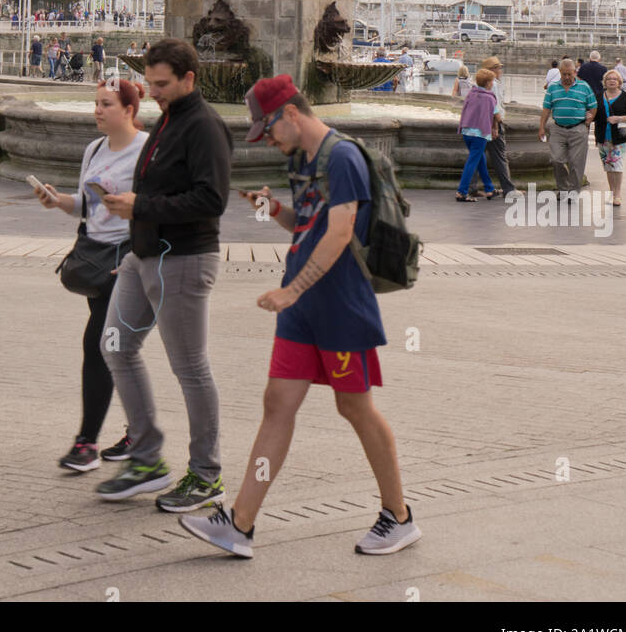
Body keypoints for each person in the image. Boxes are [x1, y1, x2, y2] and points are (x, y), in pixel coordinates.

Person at [178, 74, 421, 559]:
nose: (266, 138)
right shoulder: (301, 159)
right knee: (277, 404)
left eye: (266, 128)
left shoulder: (344, 156)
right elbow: (308, 224)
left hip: (340, 306)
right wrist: (273, 210)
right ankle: (240, 524)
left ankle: (398, 515)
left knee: (355, 408)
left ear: (290, 112)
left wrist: (292, 290)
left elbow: (340, 231)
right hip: (303, 309)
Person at [96, 38, 232, 511]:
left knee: (190, 368)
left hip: (185, 259)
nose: (153, 92)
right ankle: (148, 456)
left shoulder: (205, 127)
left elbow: (212, 200)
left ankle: (206, 474)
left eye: (162, 84)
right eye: (150, 83)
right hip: (145, 254)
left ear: (188, 79)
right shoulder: (168, 119)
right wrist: (132, 227)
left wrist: (143, 206)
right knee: (115, 344)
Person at [32, 79, 149, 471]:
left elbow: (157, 208)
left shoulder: (147, 151)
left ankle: (86, 444)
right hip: (97, 259)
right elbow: (87, 206)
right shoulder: (94, 149)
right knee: (117, 350)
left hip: (128, 263)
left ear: (129, 110)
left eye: (106, 104)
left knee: (100, 344)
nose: (97, 111)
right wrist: (59, 200)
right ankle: (138, 431)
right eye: (96, 103)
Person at [538, 57, 598, 193]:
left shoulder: (584, 87)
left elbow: (593, 106)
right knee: (556, 160)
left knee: (576, 164)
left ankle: (573, 191)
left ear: (574, 72)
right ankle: (564, 188)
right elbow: (546, 109)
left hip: (578, 129)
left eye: (569, 74)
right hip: (558, 129)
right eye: (564, 74)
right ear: (560, 72)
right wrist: (541, 127)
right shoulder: (553, 87)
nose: (566, 77)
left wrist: (588, 122)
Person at [468, 56, 519, 199]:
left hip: (479, 124)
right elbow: (493, 107)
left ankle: (470, 188)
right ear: (492, 70)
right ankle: (508, 189)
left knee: (477, 156)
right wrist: (495, 126)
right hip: (491, 125)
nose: (501, 70)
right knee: (500, 157)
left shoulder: (477, 85)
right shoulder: (493, 85)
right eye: (499, 67)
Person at [594, 68, 626, 207]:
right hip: (603, 136)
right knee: (608, 166)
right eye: (609, 79)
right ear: (604, 82)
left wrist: (618, 118)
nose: (612, 81)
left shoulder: (625, 96)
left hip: (619, 138)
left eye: (614, 79)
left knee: (617, 166)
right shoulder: (599, 96)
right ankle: (611, 193)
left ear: (619, 82)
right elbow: (594, 114)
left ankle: (617, 194)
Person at [456, 69, 497, 203]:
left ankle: (489, 188)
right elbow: (495, 114)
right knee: (472, 162)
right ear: (487, 83)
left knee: (480, 159)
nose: (493, 83)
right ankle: (462, 192)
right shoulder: (489, 97)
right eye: (492, 81)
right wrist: (495, 126)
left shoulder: (471, 94)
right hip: (480, 134)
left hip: (467, 132)